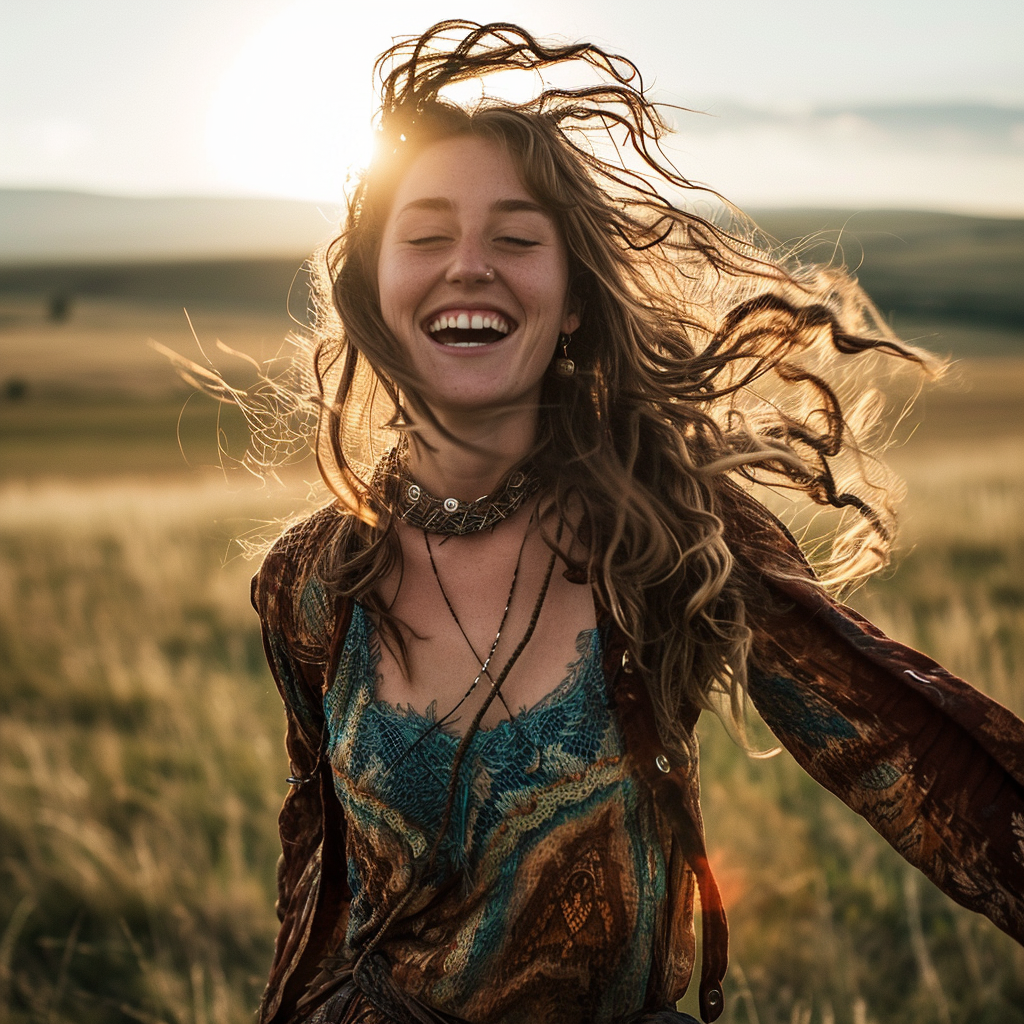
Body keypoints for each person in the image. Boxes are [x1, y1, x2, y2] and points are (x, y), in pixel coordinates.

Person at [246, 21, 1024, 1024]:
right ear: (373, 291)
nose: (469, 266)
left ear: (571, 302)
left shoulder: (667, 535)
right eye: (426, 236)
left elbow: (909, 754)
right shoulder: (310, 581)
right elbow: (316, 878)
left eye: (517, 239)